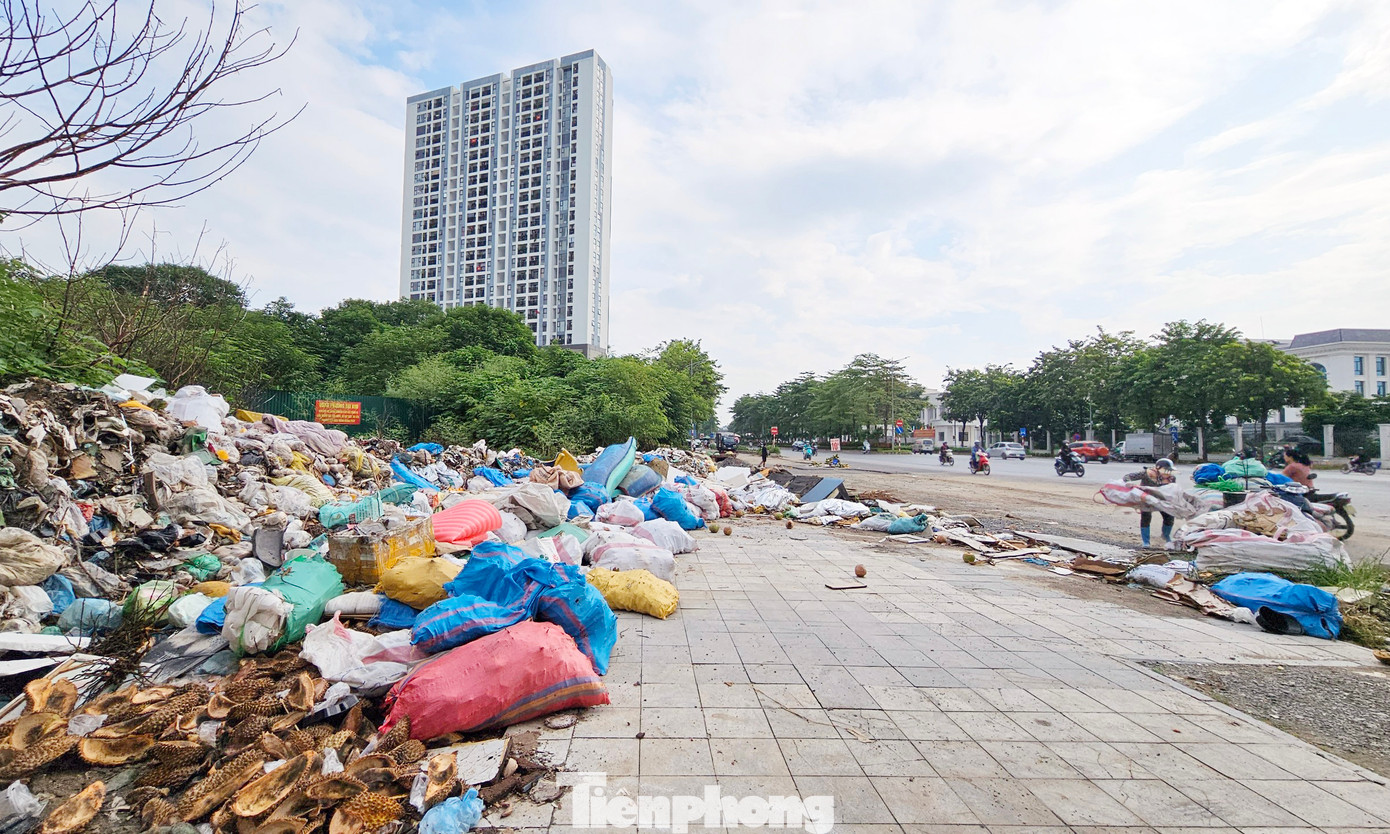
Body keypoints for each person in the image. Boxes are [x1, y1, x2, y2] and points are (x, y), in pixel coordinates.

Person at [1124, 458, 1176, 547]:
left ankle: (1166, 536)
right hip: (1146, 499)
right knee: (1146, 518)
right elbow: (1127, 477)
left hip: (1162, 499)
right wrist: (1128, 483)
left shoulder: (1171, 478)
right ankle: (1146, 542)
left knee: (1169, 517)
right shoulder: (1146, 473)